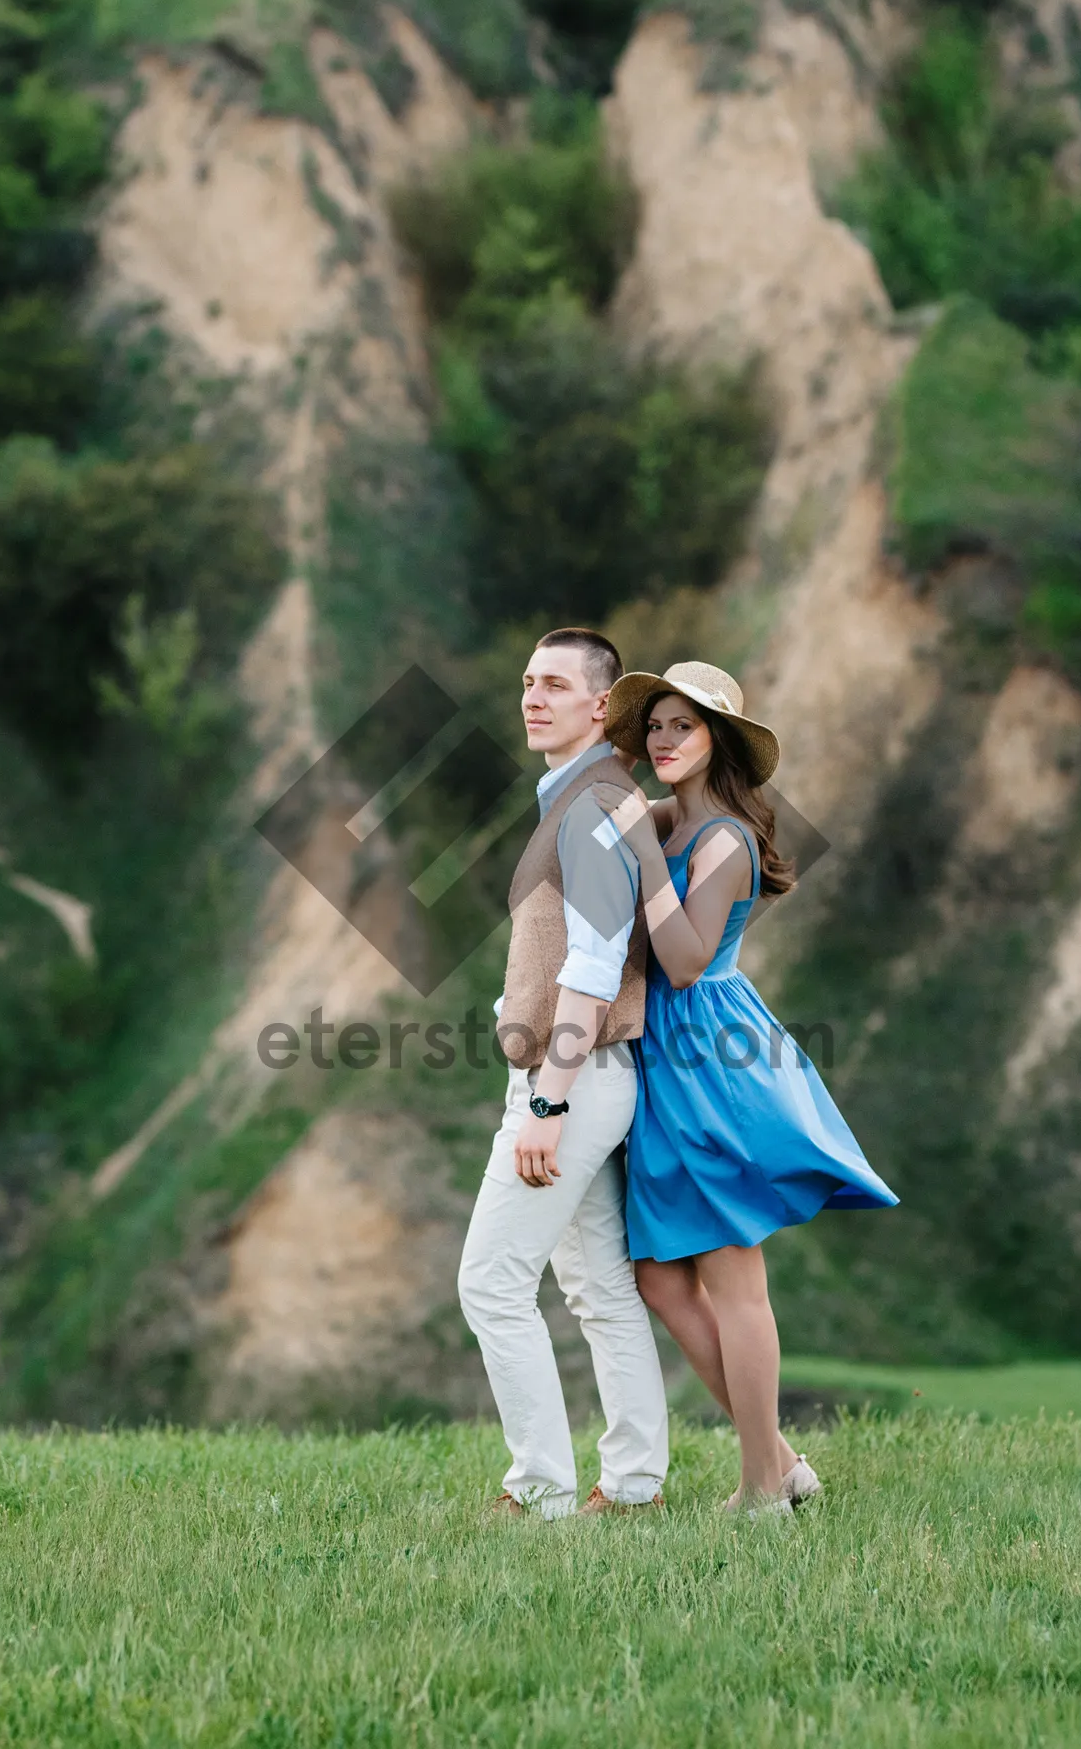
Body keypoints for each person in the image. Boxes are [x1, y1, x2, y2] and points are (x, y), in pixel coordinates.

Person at [592, 661, 899, 1519]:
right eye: (653, 725)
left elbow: (686, 963)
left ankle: (763, 1486)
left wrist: (646, 853)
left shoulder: (719, 837)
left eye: (682, 726)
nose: (661, 740)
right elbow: (600, 818)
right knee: (658, 1274)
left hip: (713, 1060)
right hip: (668, 1066)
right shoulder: (667, 817)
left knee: (734, 1282)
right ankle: (783, 1464)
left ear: (716, 740)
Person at [457, 628, 669, 1520]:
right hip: (593, 1076)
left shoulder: (589, 807)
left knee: (492, 1280)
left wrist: (547, 1098)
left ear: (600, 705)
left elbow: (593, 962)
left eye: (553, 684)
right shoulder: (590, 800)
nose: (531, 697)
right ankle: (631, 1487)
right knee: (598, 1286)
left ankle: (538, 1487)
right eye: (525, 682)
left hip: (573, 1078)